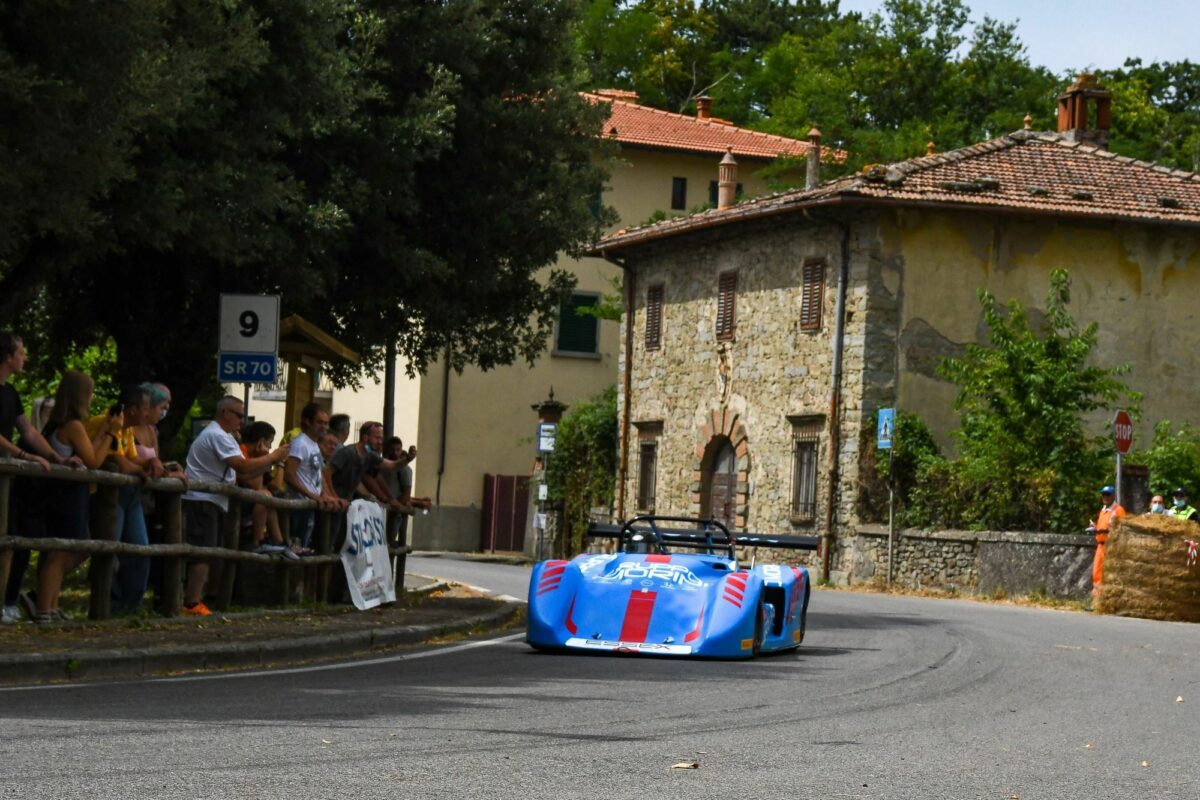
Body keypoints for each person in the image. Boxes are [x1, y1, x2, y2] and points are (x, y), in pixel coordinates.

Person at [26, 371, 123, 623]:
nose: (91, 399)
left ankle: (49, 602)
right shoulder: (74, 425)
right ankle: (43, 608)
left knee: (69, 549)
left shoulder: (60, 423)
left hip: (63, 493)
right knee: (61, 552)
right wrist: (112, 434)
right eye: (89, 394)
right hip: (67, 495)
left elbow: (88, 452)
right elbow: (93, 461)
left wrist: (103, 431)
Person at [180, 395, 289, 616]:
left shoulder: (226, 437)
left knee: (211, 552)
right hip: (202, 500)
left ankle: (201, 598)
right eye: (239, 415)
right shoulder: (217, 435)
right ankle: (191, 602)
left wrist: (272, 461)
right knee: (203, 552)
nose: (242, 420)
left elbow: (248, 473)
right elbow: (242, 466)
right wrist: (273, 457)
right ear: (225, 413)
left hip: (214, 501)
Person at [0, 332, 76, 624]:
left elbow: (29, 430)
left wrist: (56, 457)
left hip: (9, 476)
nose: (24, 357)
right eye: (21, 352)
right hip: (7, 466)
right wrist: (23, 455)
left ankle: (8, 599)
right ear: (8, 356)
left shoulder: (11, 393)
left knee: (15, 539)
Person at [85, 385, 169, 614]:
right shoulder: (108, 424)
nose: (147, 414)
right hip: (106, 495)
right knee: (109, 549)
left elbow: (134, 460)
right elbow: (121, 464)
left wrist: (153, 465)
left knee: (139, 549)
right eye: (144, 409)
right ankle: (108, 604)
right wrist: (144, 469)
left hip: (128, 494)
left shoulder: (129, 431)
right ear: (133, 410)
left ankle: (129, 605)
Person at [283, 403, 341, 550]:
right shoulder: (300, 444)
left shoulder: (314, 445)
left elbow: (318, 475)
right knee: (297, 548)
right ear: (307, 421)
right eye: (319, 422)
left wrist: (326, 495)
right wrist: (312, 496)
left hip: (310, 505)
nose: (324, 427)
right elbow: (289, 474)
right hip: (298, 505)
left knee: (307, 547)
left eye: (326, 423)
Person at [236, 421, 297, 560]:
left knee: (269, 497)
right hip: (236, 503)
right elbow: (255, 487)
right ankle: (258, 542)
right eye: (269, 442)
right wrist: (263, 457)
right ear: (261, 441)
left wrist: (281, 463)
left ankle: (280, 542)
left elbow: (275, 485)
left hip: (249, 501)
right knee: (264, 495)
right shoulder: (242, 452)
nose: (270, 448)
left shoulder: (262, 457)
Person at [1087, 485, 1126, 593]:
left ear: (1113, 495)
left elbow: (1122, 528)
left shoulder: (1118, 510)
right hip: (1100, 545)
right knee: (1097, 573)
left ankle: (1107, 599)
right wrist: (1095, 528)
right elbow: (1102, 527)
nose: (1105, 496)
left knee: (1109, 573)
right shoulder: (1103, 510)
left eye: (1108, 494)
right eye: (1103, 494)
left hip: (1111, 546)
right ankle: (1097, 600)